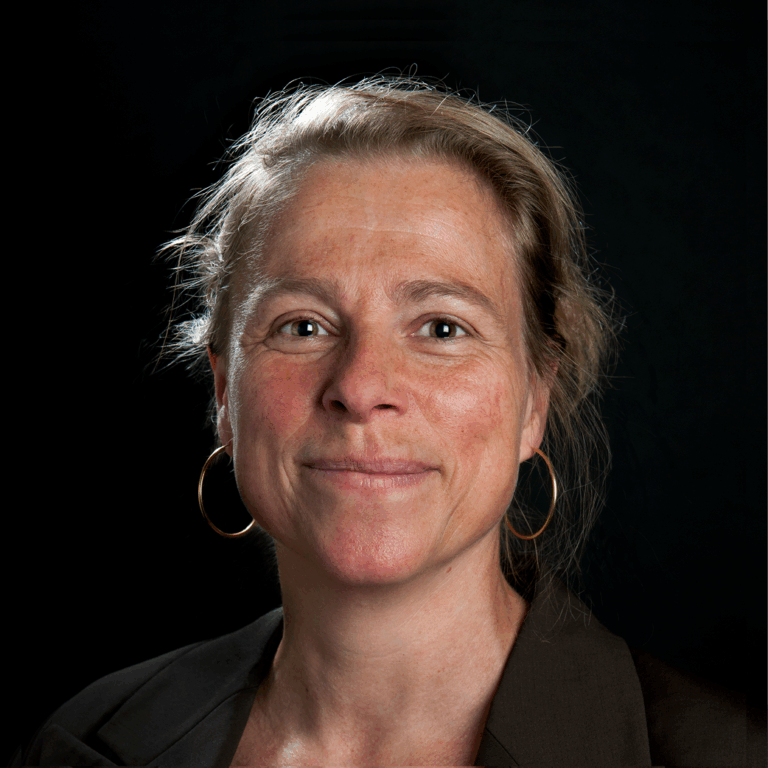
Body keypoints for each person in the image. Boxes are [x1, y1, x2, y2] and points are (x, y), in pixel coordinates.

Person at [12, 75, 765, 767]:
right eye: (302, 326)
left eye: (442, 328)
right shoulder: (81, 747)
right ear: (222, 393)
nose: (362, 387)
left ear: (535, 399)